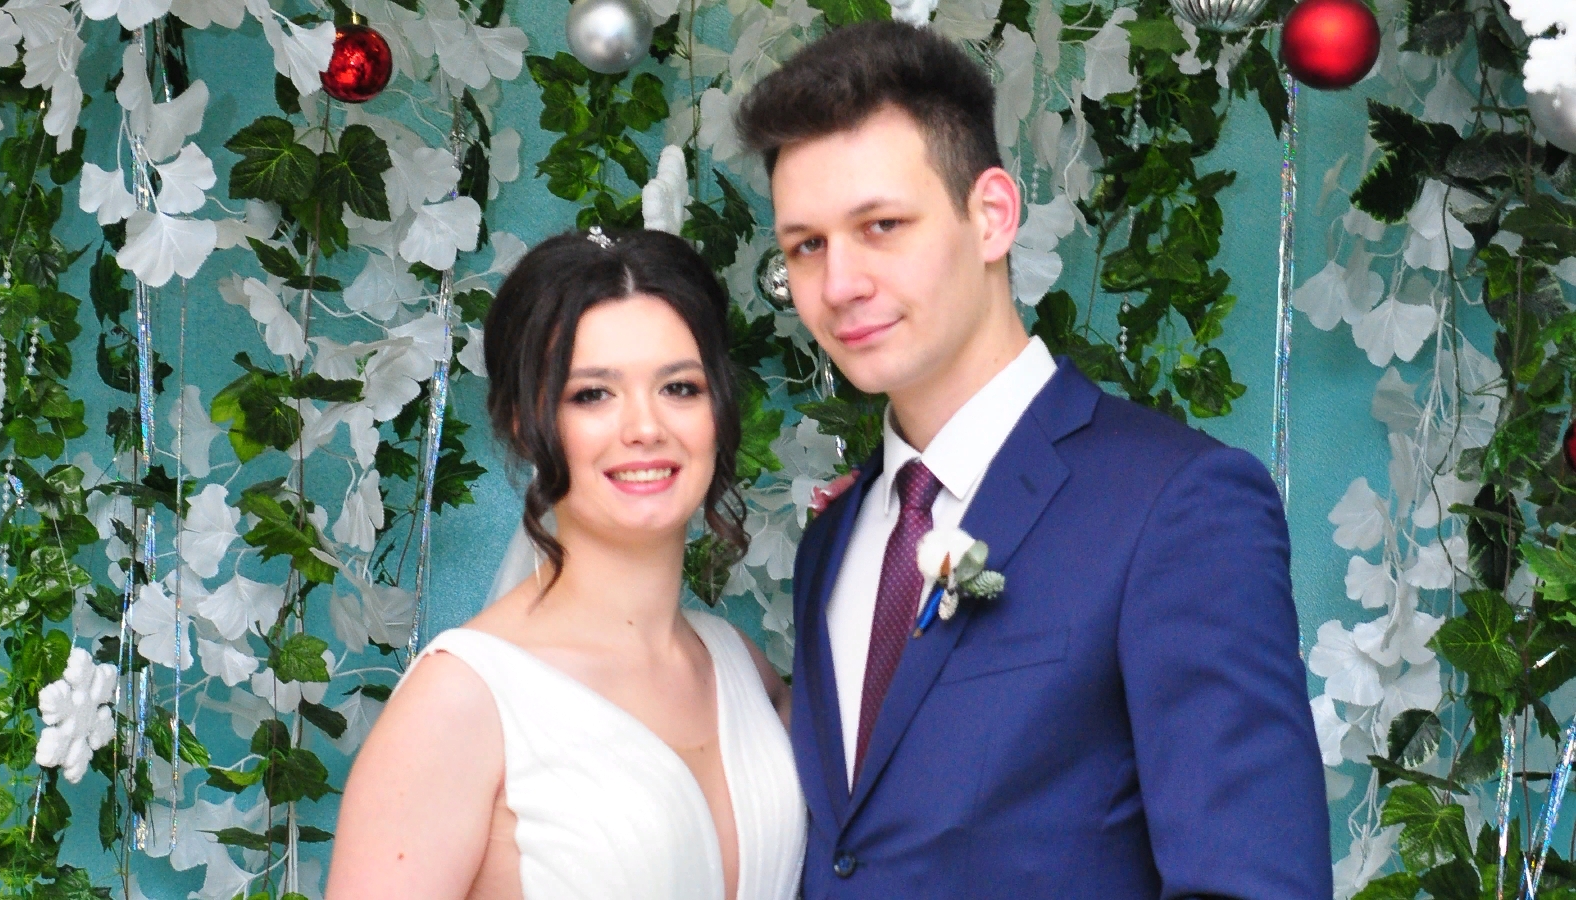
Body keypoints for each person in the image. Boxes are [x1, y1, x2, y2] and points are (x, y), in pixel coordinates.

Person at [735, 20, 1332, 898]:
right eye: (807, 245)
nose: (840, 284)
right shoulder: (834, 541)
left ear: (992, 216)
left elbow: (1250, 883)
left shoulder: (1175, 505)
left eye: (882, 225)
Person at [325, 228, 806, 900]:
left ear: (718, 411)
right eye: (592, 395)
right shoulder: (459, 704)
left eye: (679, 387)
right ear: (526, 424)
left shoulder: (743, 671)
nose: (646, 428)